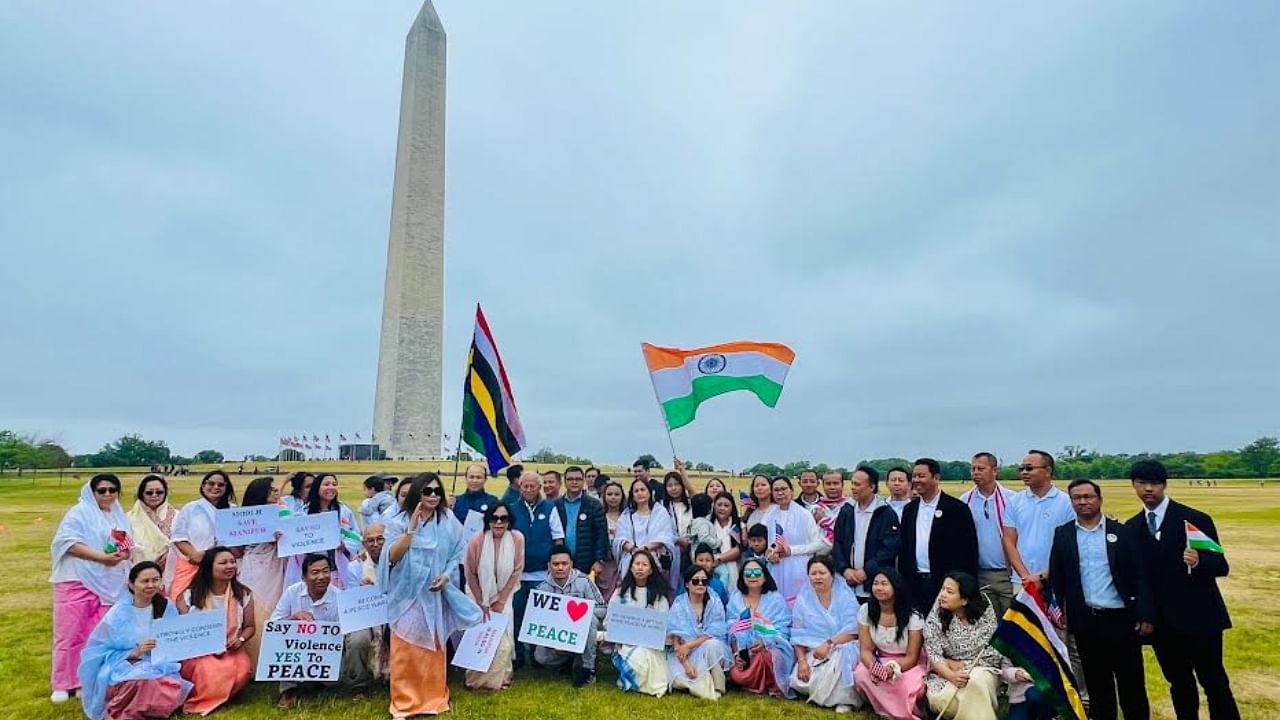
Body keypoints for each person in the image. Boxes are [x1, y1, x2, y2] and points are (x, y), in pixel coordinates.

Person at [1126, 459, 1239, 720]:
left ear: (1164, 485)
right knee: (1179, 684)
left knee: (1214, 683)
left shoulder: (1194, 520)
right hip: (1164, 625)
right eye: (1142, 483)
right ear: (1134, 485)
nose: (1148, 490)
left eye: (1154, 483)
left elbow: (1221, 565)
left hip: (1201, 619)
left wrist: (1200, 561)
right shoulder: (1132, 528)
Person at [378, 473, 481, 717]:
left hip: (435, 593)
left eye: (437, 491)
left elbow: (457, 551)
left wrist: (446, 575)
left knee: (433, 649)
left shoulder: (447, 519)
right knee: (407, 649)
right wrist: (411, 532)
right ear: (417, 493)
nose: (433, 496)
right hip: (406, 595)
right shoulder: (399, 520)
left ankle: (433, 699)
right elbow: (391, 557)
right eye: (427, 491)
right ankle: (404, 702)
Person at [1049, 479, 1152, 720]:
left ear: (1099, 499)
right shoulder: (1063, 534)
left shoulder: (1122, 533)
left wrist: (1145, 614)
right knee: (1098, 686)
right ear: (1071, 501)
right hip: (1086, 621)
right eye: (1077, 498)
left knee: (1131, 685)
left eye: (1088, 496)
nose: (1083, 502)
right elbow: (1058, 576)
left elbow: (1140, 577)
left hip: (1121, 620)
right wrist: (1057, 610)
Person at [50, 475, 136, 703]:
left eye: (112, 490)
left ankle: (86, 679)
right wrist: (101, 558)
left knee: (97, 635)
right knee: (69, 634)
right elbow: (67, 543)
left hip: (109, 584)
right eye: (102, 490)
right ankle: (63, 683)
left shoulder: (118, 515)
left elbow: (128, 543)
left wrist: (123, 554)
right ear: (92, 492)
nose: (108, 495)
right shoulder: (79, 512)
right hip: (76, 580)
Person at [77, 561, 192, 720]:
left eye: (156, 580)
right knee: (140, 679)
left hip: (160, 661)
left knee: (161, 680)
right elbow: (101, 648)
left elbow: (175, 639)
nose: (151, 585)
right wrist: (135, 652)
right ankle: (126, 712)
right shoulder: (119, 612)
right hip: (123, 662)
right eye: (145, 581)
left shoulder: (167, 607)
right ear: (131, 584)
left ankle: (151, 710)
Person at [270, 553, 376, 708]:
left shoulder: (339, 596)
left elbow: (351, 631)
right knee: (286, 634)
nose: (321, 576)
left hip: (330, 658)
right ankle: (288, 690)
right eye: (315, 573)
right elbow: (273, 626)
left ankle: (358, 686)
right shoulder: (292, 593)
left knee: (360, 635)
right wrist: (294, 618)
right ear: (304, 577)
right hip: (300, 653)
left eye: (326, 571)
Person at [175, 546, 254, 716]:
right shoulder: (189, 595)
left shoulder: (243, 593)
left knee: (243, 670)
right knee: (208, 670)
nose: (230, 566)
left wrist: (240, 640)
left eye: (233, 562)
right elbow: (181, 630)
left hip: (230, 647)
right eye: (223, 563)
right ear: (209, 567)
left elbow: (249, 627)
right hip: (198, 651)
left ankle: (220, 694)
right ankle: (204, 699)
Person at [897, 458, 978, 614]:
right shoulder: (909, 509)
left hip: (946, 584)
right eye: (914, 476)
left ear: (936, 478)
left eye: (921, 476)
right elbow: (905, 548)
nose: (916, 480)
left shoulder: (957, 509)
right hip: (915, 583)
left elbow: (969, 550)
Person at [462, 502, 525, 690]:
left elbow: (517, 570)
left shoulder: (517, 539)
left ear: (509, 521)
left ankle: (501, 679)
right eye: (494, 518)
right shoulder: (477, 540)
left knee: (503, 641)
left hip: (504, 595)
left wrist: (501, 600)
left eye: (503, 519)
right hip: (476, 594)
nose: (498, 522)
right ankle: (474, 681)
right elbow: (470, 573)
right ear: (488, 520)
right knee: (480, 639)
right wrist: (482, 602)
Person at [923, 572, 1001, 720]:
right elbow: (933, 654)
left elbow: (992, 652)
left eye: (949, 591)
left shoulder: (984, 610)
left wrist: (960, 665)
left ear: (964, 600)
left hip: (982, 669)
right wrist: (951, 674)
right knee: (942, 699)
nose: (942, 595)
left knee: (976, 680)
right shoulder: (936, 614)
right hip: (945, 675)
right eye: (942, 589)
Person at [788, 556, 862, 711]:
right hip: (814, 650)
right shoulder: (803, 600)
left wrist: (829, 644)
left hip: (842, 646)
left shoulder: (845, 596)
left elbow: (853, 630)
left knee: (839, 662)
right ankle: (826, 695)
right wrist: (801, 661)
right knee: (799, 678)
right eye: (813, 573)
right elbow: (798, 634)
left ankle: (843, 700)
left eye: (822, 572)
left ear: (832, 575)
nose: (817, 577)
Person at [854, 568, 927, 720]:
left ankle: (903, 713)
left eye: (884, 584)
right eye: (875, 583)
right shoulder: (865, 610)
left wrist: (892, 669)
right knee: (861, 674)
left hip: (907, 664)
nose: (879, 588)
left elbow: (912, 657)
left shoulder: (913, 616)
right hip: (879, 659)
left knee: (905, 684)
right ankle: (884, 709)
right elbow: (866, 650)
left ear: (896, 587)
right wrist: (874, 667)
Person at [510, 469, 565, 668]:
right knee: (516, 614)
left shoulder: (550, 508)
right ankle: (517, 655)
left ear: (539, 487)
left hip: (541, 573)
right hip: (516, 574)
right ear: (520, 487)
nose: (529, 489)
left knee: (539, 617)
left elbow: (558, 538)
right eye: (526, 486)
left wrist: (555, 565)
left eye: (533, 486)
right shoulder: (511, 509)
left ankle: (537, 654)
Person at [1002, 450, 1075, 594]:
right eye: (1021, 469)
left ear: (1047, 471)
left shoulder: (1066, 502)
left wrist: (1043, 577)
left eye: (1029, 468)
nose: (1024, 472)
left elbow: (1070, 545)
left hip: (1056, 580)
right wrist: (1025, 576)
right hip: (1022, 581)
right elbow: (1008, 540)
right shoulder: (1014, 502)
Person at [535, 546, 607, 687]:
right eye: (556, 564)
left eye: (564, 563)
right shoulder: (542, 589)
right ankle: (570, 661)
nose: (560, 568)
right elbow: (538, 620)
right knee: (540, 657)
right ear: (548, 566)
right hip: (558, 636)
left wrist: (583, 615)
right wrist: (554, 642)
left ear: (571, 564)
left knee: (591, 618)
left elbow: (602, 608)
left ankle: (588, 669)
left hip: (582, 631)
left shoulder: (584, 581)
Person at [236, 477, 287, 666]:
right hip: (253, 564)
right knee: (255, 607)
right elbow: (237, 547)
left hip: (276, 564)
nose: (276, 492)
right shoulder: (244, 516)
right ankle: (254, 660)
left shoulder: (282, 512)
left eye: (276, 489)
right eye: (272, 490)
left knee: (276, 604)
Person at [726, 559, 794, 697]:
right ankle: (750, 681)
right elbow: (730, 629)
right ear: (742, 577)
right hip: (743, 652)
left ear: (765, 576)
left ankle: (770, 685)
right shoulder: (735, 597)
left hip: (771, 649)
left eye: (757, 572)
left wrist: (765, 642)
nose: (752, 576)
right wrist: (736, 654)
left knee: (763, 657)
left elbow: (783, 630)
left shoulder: (776, 599)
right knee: (737, 675)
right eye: (748, 573)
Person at [832, 465, 900, 602]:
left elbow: (889, 549)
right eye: (852, 483)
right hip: (848, 583)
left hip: (875, 584)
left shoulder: (886, 513)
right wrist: (844, 570)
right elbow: (837, 543)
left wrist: (866, 571)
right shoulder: (846, 511)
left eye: (857, 484)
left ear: (872, 487)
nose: (853, 488)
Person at [609, 549, 672, 696]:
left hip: (651, 644)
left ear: (650, 570)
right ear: (631, 568)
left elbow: (663, 624)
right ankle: (633, 682)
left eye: (644, 564)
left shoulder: (658, 597)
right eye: (636, 564)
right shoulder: (621, 593)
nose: (640, 568)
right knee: (637, 655)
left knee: (648, 655)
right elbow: (610, 620)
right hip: (626, 643)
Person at [960, 452, 1016, 616]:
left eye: (981, 468)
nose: (975, 472)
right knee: (987, 624)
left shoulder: (1012, 499)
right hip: (980, 574)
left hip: (1008, 574)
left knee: (1011, 624)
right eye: (973, 469)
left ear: (994, 470)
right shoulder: (965, 501)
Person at [285, 473, 361, 589]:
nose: (331, 487)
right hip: (310, 570)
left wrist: (345, 545)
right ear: (317, 488)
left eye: (334, 484)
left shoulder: (344, 511)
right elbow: (292, 536)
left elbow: (355, 535)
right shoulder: (303, 512)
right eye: (326, 484)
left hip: (336, 569)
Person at [668, 564, 732, 700]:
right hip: (684, 654)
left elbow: (717, 630)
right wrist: (686, 663)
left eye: (704, 581)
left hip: (707, 648)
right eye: (696, 581)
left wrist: (690, 645)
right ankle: (705, 681)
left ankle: (718, 684)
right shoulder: (679, 604)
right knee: (680, 679)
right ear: (687, 584)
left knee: (712, 645)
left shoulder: (714, 601)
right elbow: (675, 639)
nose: (700, 584)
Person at [170, 470, 236, 599]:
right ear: (203, 486)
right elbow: (179, 537)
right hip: (193, 565)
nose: (215, 487)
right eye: (211, 483)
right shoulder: (191, 508)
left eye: (220, 485)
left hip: (223, 568)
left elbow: (238, 541)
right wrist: (195, 555)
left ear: (226, 488)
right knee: (185, 604)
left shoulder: (233, 511)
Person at [764, 476, 827, 605]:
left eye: (783, 489)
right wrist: (770, 555)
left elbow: (818, 544)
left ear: (792, 491)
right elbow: (768, 545)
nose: (780, 493)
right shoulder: (769, 516)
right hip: (776, 569)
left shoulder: (804, 514)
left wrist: (791, 550)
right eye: (776, 490)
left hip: (799, 569)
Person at [613, 478, 676, 583]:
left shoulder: (660, 512)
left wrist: (645, 549)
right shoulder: (627, 515)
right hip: (631, 561)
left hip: (654, 560)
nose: (640, 493)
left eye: (643, 490)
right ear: (632, 495)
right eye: (636, 491)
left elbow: (665, 537)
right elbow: (620, 538)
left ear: (650, 492)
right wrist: (634, 550)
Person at [555, 465, 609, 579]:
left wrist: (598, 560)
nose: (574, 482)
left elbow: (602, 534)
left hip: (587, 563)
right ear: (564, 482)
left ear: (583, 481)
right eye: (570, 479)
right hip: (561, 563)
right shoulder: (556, 505)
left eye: (578, 479)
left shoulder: (594, 504)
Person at [126, 475, 176, 569]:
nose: (154, 495)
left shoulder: (178, 516)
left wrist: (171, 555)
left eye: (159, 492)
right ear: (141, 494)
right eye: (149, 492)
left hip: (171, 570)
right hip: (138, 572)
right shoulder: (128, 518)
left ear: (165, 493)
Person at [662, 467, 695, 584]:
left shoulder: (691, 505)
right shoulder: (662, 508)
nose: (674, 488)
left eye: (677, 484)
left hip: (690, 550)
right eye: (670, 485)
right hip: (671, 551)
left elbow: (693, 493)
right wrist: (677, 540)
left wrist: (682, 470)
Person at [598, 479, 625, 603]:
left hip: (624, 562)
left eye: (616, 494)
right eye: (609, 494)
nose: (613, 497)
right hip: (605, 563)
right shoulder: (599, 516)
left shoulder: (628, 517)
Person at [452, 462, 499, 529]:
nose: (474, 481)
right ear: (466, 478)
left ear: (485, 480)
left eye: (478, 477)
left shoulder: (493, 501)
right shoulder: (456, 501)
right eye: (471, 477)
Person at [710, 493, 742, 590]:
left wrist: (719, 559)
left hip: (733, 567)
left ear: (732, 508)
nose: (722, 508)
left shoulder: (738, 525)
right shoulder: (708, 524)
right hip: (712, 567)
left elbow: (739, 548)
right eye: (719, 505)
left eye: (726, 505)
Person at [811, 469, 850, 546]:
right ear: (823, 486)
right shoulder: (815, 509)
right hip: (819, 555)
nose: (832, 487)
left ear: (842, 484)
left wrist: (823, 520)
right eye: (828, 484)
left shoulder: (851, 507)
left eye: (836, 483)